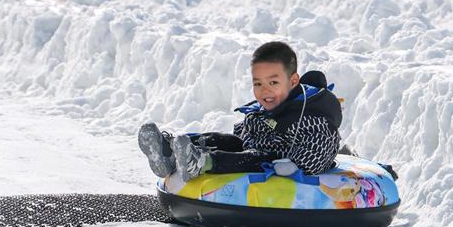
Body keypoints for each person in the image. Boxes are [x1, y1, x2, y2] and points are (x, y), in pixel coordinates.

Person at [138, 42, 342, 181]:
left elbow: (321, 145)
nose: (265, 90)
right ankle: (170, 150)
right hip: (256, 145)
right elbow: (251, 126)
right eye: (258, 84)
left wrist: (295, 164)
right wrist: (240, 136)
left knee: (252, 159)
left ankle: (201, 162)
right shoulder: (273, 104)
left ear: (293, 81)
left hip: (278, 159)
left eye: (273, 82)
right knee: (227, 141)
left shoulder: (311, 114)